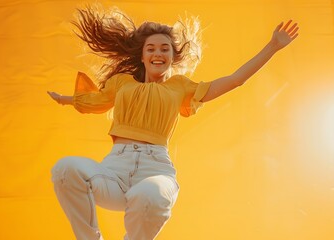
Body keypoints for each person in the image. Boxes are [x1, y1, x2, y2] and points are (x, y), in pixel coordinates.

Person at [47, 4, 299, 240]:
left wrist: (272, 47)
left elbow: (234, 80)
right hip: (114, 172)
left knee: (147, 197)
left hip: (154, 169)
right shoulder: (121, 83)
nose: (158, 53)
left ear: (172, 57)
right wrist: (65, 100)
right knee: (65, 169)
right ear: (142, 57)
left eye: (165, 49)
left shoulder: (180, 87)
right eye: (151, 49)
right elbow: (94, 101)